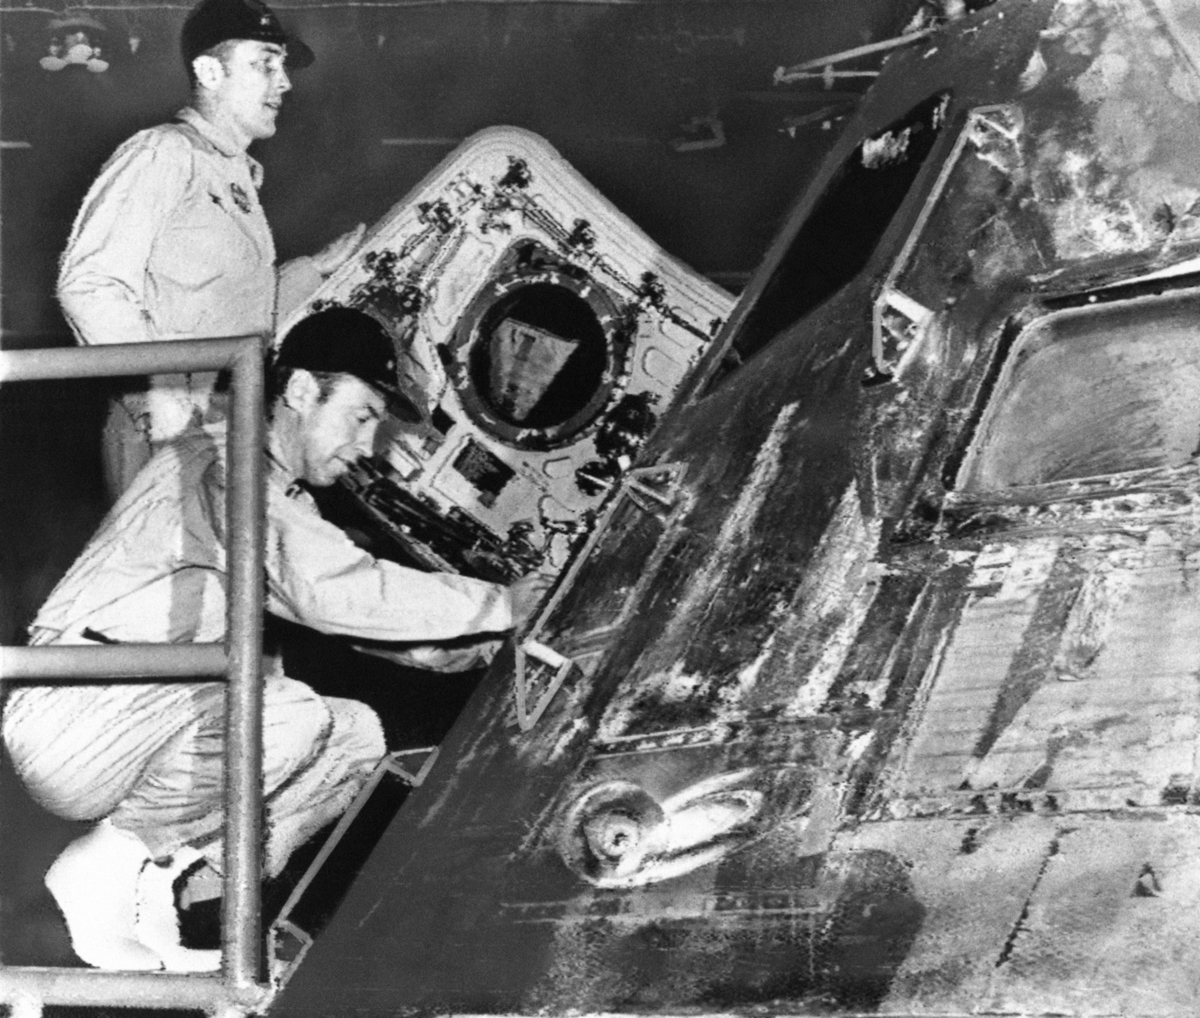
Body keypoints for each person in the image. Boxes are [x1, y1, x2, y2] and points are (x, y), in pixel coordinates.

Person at [1, 307, 551, 973]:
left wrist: (435, 648)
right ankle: (100, 875)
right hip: (70, 715)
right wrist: (499, 604)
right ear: (297, 391)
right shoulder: (220, 461)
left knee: (354, 735)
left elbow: (330, 597)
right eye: (362, 414)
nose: (370, 443)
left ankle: (192, 892)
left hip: (133, 713)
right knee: (287, 713)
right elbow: (329, 585)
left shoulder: (274, 490)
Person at [57, 0, 366, 497]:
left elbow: (236, 317)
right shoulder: (164, 152)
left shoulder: (233, 173)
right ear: (209, 71)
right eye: (265, 64)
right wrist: (161, 390)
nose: (283, 81)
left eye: (282, 67)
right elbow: (88, 285)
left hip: (223, 418)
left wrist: (317, 269)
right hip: (169, 427)